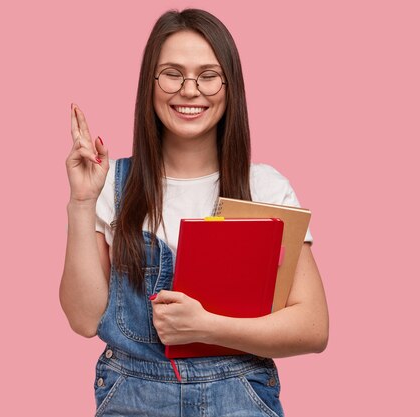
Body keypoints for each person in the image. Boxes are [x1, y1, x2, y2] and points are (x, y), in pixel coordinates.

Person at [60, 8, 328, 417]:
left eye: (207, 75)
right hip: (133, 400)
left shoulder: (265, 189)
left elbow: (313, 327)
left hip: (240, 397)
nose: (189, 90)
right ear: (150, 85)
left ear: (229, 85)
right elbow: (83, 319)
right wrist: (82, 203)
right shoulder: (112, 183)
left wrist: (208, 327)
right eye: (172, 73)